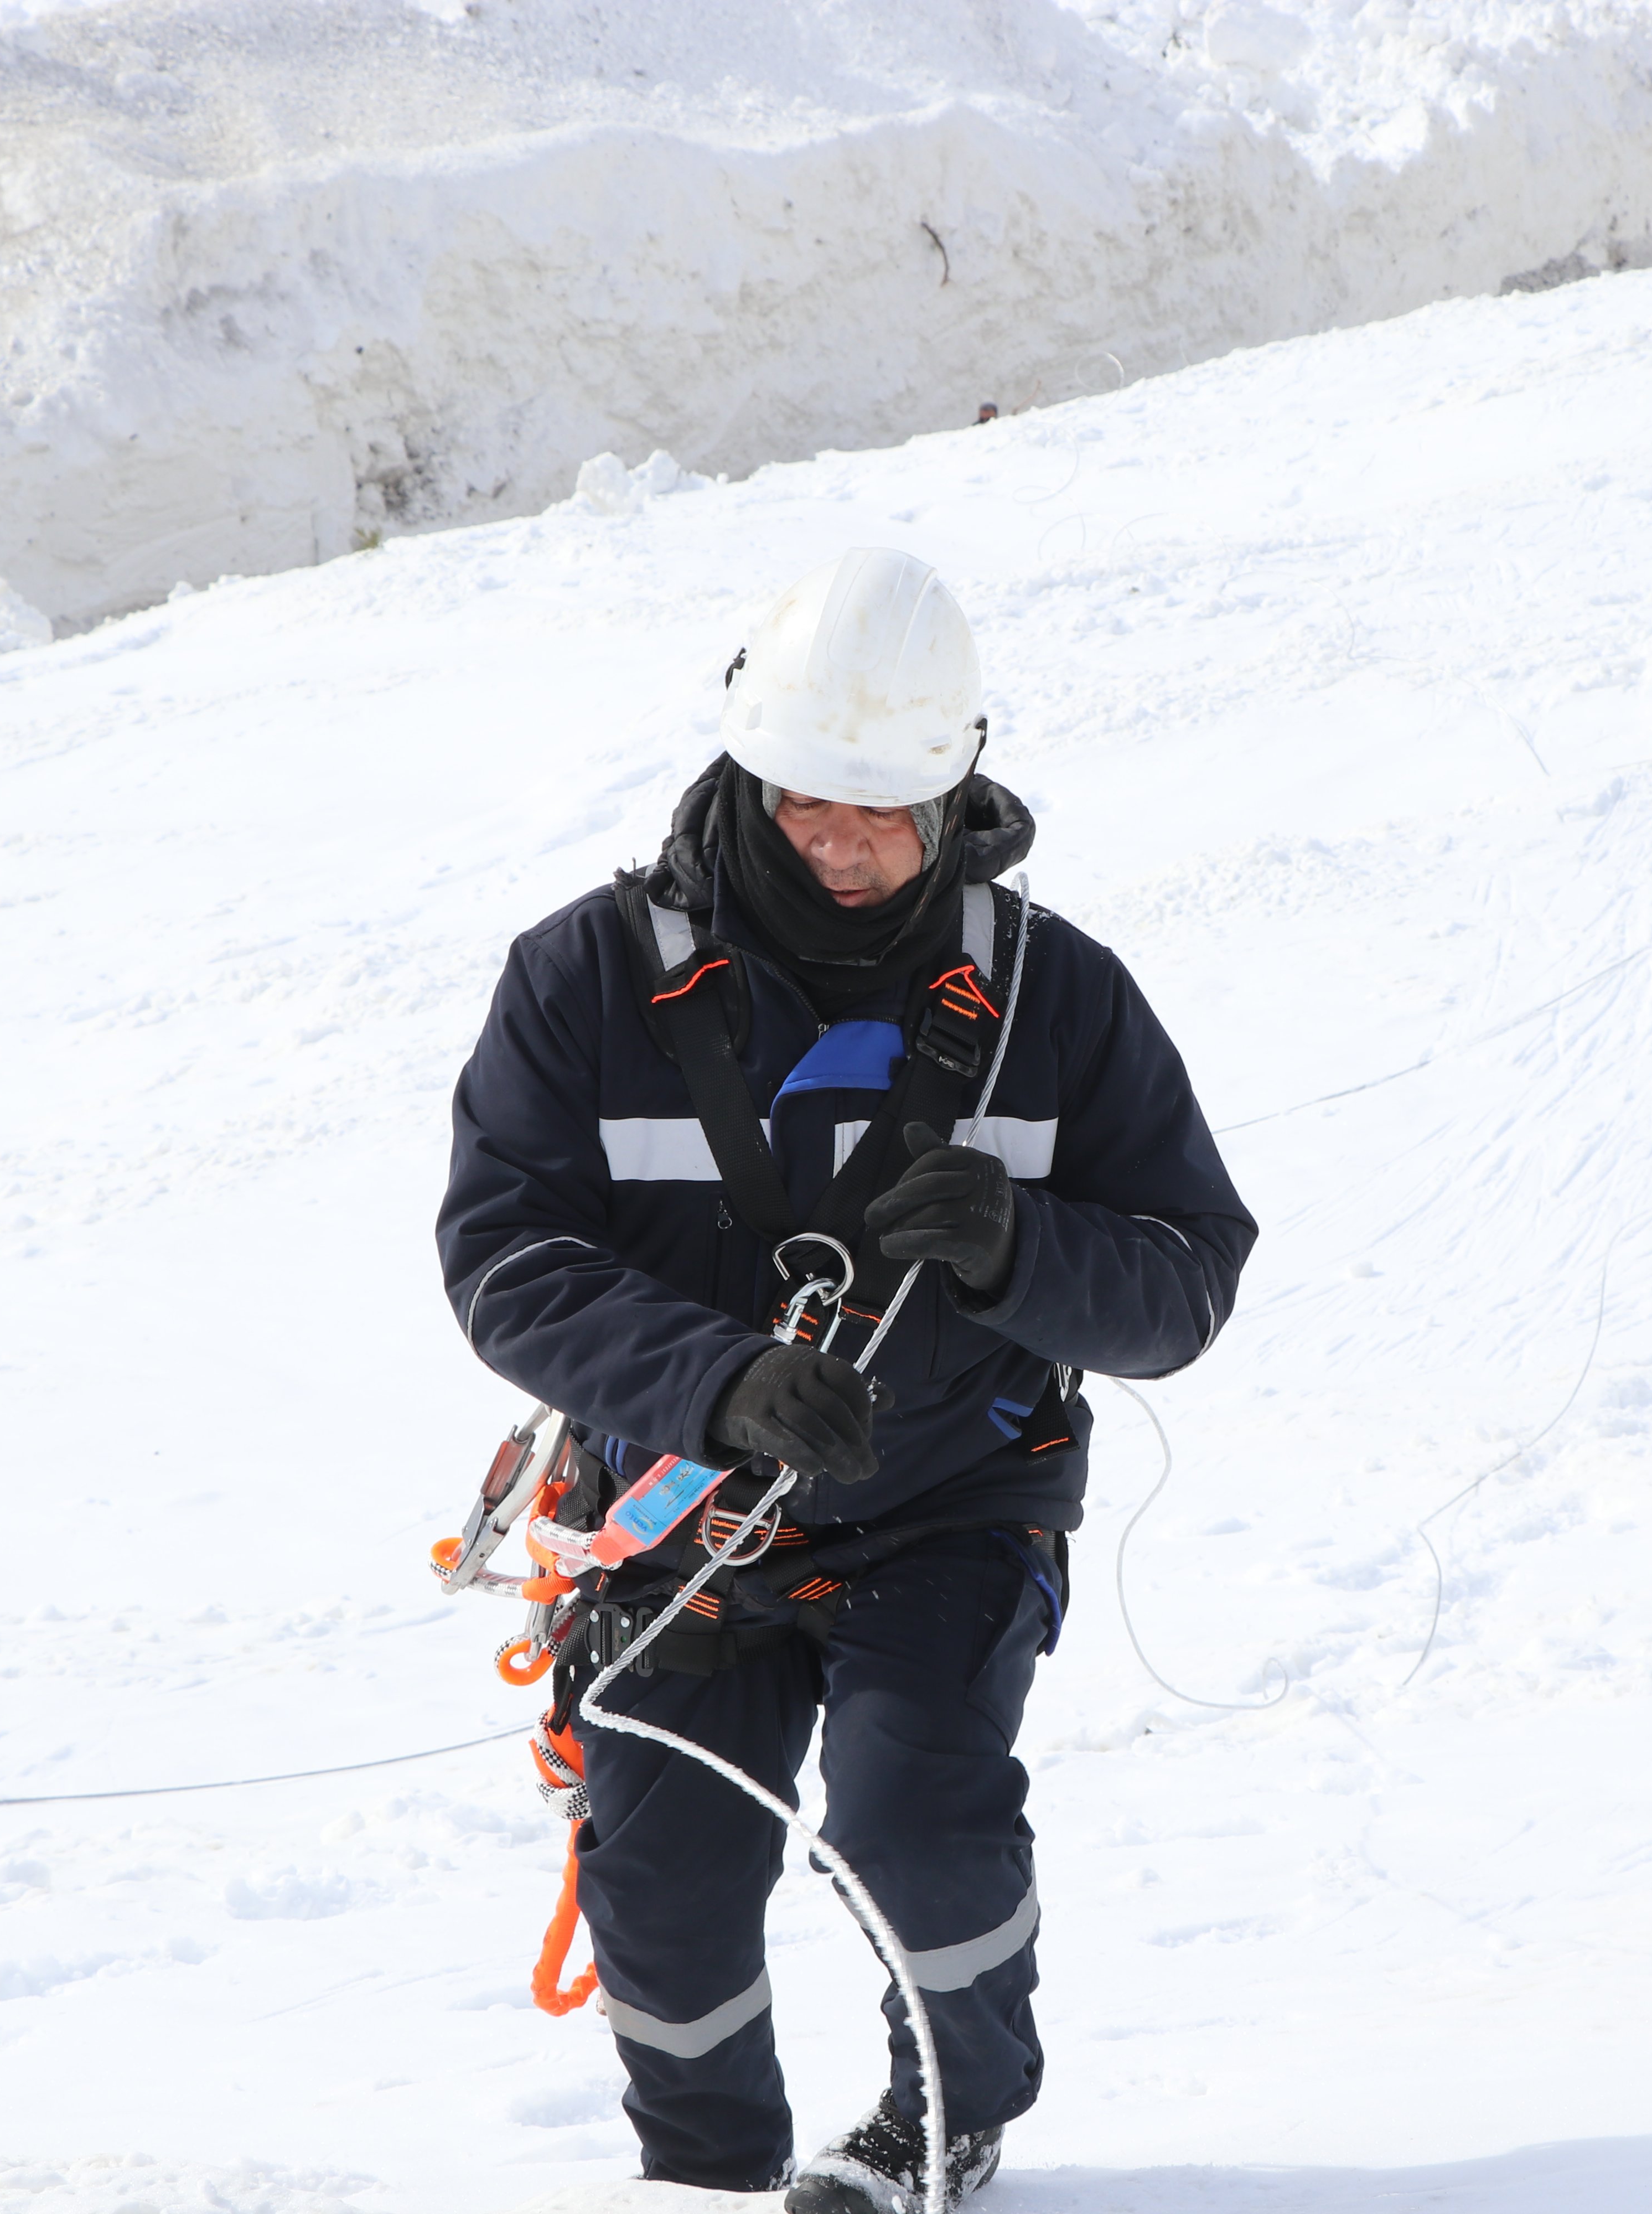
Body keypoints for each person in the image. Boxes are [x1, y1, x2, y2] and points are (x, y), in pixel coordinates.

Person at [437, 548, 1256, 2211]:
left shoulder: (1053, 993)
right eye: (812, 803)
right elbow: (505, 1255)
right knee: (658, 1886)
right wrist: (712, 1379)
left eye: (889, 813)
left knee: (918, 1820)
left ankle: (936, 2127)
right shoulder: (586, 977)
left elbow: (1186, 1276)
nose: (847, 847)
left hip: (951, 1501)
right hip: (682, 1519)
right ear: (750, 764)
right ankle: (709, 2172)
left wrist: (1023, 1249)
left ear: (959, 788)